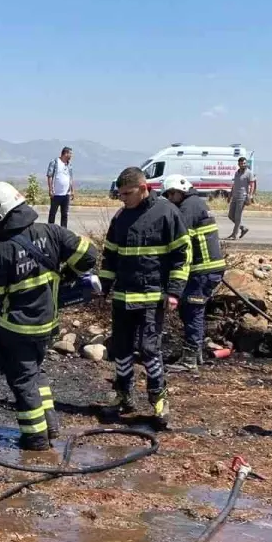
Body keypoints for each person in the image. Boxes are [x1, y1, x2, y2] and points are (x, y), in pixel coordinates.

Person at [0, 181, 96, 450]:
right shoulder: (52, 232)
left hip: (17, 329)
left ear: (0, 213)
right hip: (47, 325)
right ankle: (51, 426)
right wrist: (68, 275)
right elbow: (89, 254)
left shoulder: (2, 251)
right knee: (36, 374)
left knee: (23, 382)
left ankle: (36, 439)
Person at [100, 166, 190, 423]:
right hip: (123, 297)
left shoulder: (166, 213)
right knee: (122, 349)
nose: (123, 199)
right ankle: (123, 395)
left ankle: (158, 398)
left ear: (143, 188)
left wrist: (174, 292)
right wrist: (103, 288)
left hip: (152, 296)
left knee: (150, 349)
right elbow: (110, 256)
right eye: (120, 195)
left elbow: (181, 256)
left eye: (127, 193)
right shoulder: (120, 218)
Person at [162, 174, 225, 372]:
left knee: (192, 311)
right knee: (190, 311)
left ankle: (190, 360)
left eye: (171, 194)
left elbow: (180, 241)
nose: (170, 199)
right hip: (206, 270)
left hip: (202, 271)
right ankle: (194, 354)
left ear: (179, 191)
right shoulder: (196, 203)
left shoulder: (189, 207)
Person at [46, 146, 75, 228]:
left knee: (64, 214)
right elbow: (49, 176)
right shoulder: (55, 162)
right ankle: (50, 230)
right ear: (65, 153)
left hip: (66, 194)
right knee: (53, 213)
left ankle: (63, 231)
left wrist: (72, 190)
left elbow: (70, 178)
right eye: (70, 154)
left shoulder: (69, 165)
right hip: (56, 194)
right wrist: (50, 189)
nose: (71, 156)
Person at [227, 157, 253, 239]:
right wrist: (230, 195)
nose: (243, 165)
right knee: (230, 215)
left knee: (238, 216)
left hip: (242, 197)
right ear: (239, 164)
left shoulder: (249, 173)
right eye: (241, 163)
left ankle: (234, 235)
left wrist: (250, 195)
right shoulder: (237, 173)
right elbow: (234, 185)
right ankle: (243, 228)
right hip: (234, 196)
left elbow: (252, 185)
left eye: (244, 163)